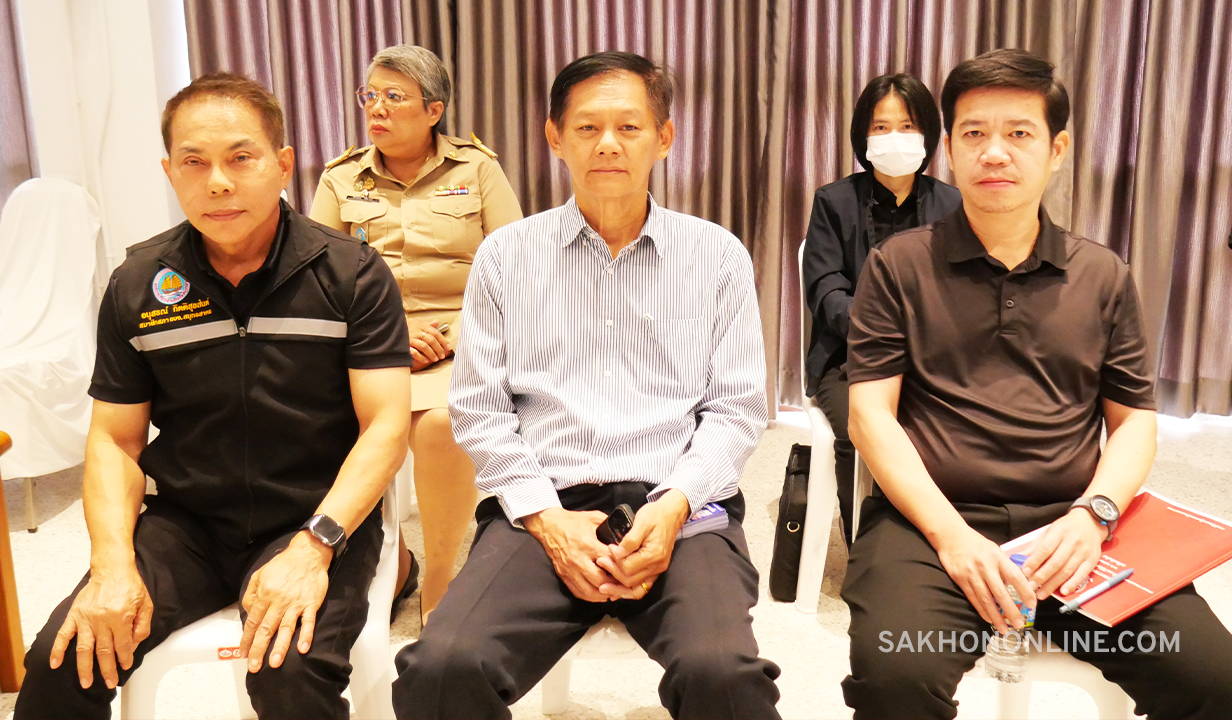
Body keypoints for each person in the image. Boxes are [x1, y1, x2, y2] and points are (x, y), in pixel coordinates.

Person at [842, 48, 1232, 719]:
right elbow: (868, 415)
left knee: (1212, 676)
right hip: (930, 526)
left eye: (1019, 133)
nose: (994, 152)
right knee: (896, 675)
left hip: (1074, 529)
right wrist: (952, 538)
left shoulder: (1103, 275)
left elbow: (1134, 421)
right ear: (950, 151)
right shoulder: (897, 266)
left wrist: (1095, 514)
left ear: (1056, 150)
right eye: (974, 133)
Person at [391, 51, 782, 719]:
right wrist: (547, 521)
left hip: (681, 506)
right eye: (587, 127)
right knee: (441, 669)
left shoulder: (716, 255)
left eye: (629, 127)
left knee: (722, 675)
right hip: (544, 505)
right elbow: (481, 410)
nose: (607, 144)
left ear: (664, 137)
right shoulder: (506, 256)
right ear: (554, 136)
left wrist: (673, 507)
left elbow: (737, 409)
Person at [13, 73, 412, 719]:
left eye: (241, 158)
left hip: (314, 518)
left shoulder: (351, 273)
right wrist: (112, 564)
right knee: (64, 659)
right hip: (187, 525)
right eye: (194, 162)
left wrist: (314, 547)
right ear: (170, 172)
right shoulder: (139, 283)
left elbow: (386, 426)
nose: (218, 182)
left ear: (283, 164)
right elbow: (115, 439)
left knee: (287, 674)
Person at [310, 44, 524, 624]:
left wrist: (451, 336)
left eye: (394, 97)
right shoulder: (340, 178)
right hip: (371, 340)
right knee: (315, 419)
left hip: (464, 337)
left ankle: (442, 574)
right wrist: (390, 336)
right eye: (370, 95)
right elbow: (318, 280)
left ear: (433, 110)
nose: (376, 108)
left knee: (440, 425)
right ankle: (392, 559)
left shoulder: (476, 170)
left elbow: (518, 269)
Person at [801, 73, 960, 544]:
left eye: (907, 126)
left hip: (931, 358)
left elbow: (962, 293)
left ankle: (937, 533)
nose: (894, 138)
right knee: (860, 433)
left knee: (957, 428)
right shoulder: (833, 201)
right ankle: (867, 542)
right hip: (848, 358)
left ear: (927, 134)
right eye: (880, 127)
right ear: (863, 136)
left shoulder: (953, 204)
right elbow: (826, 292)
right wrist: (888, 335)